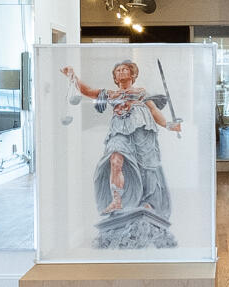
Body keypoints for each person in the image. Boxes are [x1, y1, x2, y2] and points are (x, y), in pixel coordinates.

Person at [61, 59, 181, 249]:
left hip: (142, 131)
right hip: (119, 131)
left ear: (132, 74)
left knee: (147, 167)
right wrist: (72, 76)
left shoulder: (141, 92)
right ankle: (117, 199)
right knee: (115, 159)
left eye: (125, 69)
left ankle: (148, 202)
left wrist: (168, 125)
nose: (121, 71)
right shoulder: (111, 94)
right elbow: (88, 91)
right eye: (118, 70)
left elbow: (153, 110)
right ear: (115, 77)